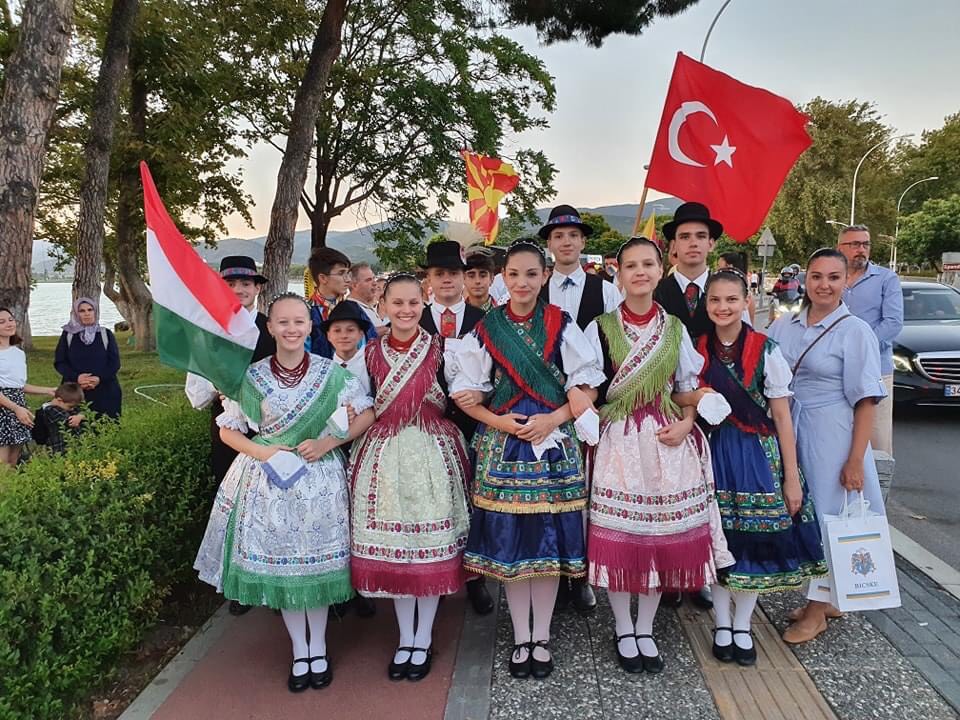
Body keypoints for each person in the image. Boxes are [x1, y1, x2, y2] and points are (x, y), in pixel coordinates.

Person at [194, 293, 375, 693]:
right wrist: (263, 450)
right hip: (268, 481)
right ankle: (300, 650)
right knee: (287, 570)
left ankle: (320, 648)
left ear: (311, 327)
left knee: (316, 567)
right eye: (283, 322)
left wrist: (328, 444)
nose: (292, 329)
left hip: (320, 480)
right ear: (271, 327)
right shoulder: (252, 377)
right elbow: (228, 429)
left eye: (299, 322)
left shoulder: (333, 375)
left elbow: (367, 412)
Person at [448, 239, 605, 680]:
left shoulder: (561, 323)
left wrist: (553, 419)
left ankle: (543, 639)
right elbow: (467, 395)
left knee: (549, 543)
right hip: (508, 442)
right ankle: (522, 636)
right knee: (517, 545)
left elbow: (588, 384)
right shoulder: (486, 329)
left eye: (531, 274)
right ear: (503, 277)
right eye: (513, 274)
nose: (521, 282)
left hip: (554, 442)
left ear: (545, 276)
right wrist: (504, 424)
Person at [584, 238, 733, 675]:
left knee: (656, 539)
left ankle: (645, 627)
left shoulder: (674, 329)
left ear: (658, 268)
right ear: (619, 272)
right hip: (619, 440)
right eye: (631, 265)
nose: (640, 272)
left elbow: (687, 385)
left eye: (648, 263)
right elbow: (589, 384)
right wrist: (583, 408)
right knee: (620, 536)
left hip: (667, 438)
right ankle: (621, 626)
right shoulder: (601, 326)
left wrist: (690, 418)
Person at [688, 268, 827, 665]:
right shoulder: (695, 349)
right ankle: (721, 622)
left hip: (755, 454)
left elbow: (782, 417)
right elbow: (683, 398)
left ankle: (743, 624)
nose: (723, 307)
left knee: (751, 542)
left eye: (731, 299)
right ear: (706, 304)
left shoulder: (765, 350)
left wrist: (790, 476)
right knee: (717, 540)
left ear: (746, 301)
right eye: (715, 300)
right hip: (711, 451)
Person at [348, 272, 471, 682]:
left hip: (433, 451)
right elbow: (359, 401)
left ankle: (424, 635)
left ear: (426, 302)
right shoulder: (368, 354)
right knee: (399, 548)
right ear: (382, 305)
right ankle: (406, 637)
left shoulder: (443, 349)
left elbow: (466, 393)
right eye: (396, 303)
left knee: (429, 547)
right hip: (384, 457)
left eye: (413, 303)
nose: (405, 311)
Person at [768, 248, 887, 644]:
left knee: (828, 517)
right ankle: (828, 595)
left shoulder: (856, 331)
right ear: (804, 280)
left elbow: (866, 400)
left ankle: (817, 611)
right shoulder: (786, 326)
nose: (824, 285)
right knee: (802, 514)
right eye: (816, 276)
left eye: (834, 277)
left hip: (833, 432)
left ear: (845, 282)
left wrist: (855, 458)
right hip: (793, 428)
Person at [538, 204, 620, 614]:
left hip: (590, 404)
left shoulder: (605, 290)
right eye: (558, 236)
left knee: (585, 494)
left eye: (572, 235)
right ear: (549, 245)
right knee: (548, 495)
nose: (566, 242)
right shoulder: (536, 286)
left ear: (583, 242)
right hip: (545, 404)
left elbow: (614, 345)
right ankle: (548, 574)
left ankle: (581, 576)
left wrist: (595, 398)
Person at [653, 201, 724, 610]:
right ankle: (669, 575)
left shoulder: (727, 290)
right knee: (669, 494)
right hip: (668, 408)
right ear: (673, 247)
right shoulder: (657, 292)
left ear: (711, 243)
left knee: (708, 493)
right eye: (684, 237)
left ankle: (702, 571)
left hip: (717, 406)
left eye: (700, 235)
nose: (693, 243)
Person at [418, 240, 494, 615]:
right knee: (435, 500)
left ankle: (476, 576)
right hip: (427, 425)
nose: (447, 280)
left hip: (472, 423)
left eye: (453, 273)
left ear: (465, 278)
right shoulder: (414, 320)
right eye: (439, 274)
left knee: (474, 497)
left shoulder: (484, 322)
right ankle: (436, 571)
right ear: (428, 279)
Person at [185, 257, 277, 494]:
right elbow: (196, 395)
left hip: (273, 427)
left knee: (269, 495)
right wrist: (218, 387)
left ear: (257, 287)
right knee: (229, 491)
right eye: (231, 283)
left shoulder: (274, 329)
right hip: (227, 430)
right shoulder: (208, 332)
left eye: (246, 283)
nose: (238, 290)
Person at [836, 225, 903, 458]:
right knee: (839, 437)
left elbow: (893, 323)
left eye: (865, 244)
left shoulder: (886, 279)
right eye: (854, 244)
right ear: (840, 248)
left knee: (877, 442)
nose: (861, 250)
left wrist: (858, 347)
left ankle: (878, 494)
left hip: (875, 371)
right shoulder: (832, 279)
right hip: (835, 369)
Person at [0, 308, 56, 467]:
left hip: (19, 407)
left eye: (10, 320)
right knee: (1, 463)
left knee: (12, 461)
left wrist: (47, 390)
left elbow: (18, 385)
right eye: (1, 322)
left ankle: (11, 492)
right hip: (5, 407)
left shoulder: (18, 352)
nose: (9, 324)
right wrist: (15, 408)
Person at [54, 297, 121, 419]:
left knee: (107, 428)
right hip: (75, 393)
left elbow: (114, 363)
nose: (87, 314)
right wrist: (77, 377)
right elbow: (60, 362)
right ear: (75, 313)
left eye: (90, 310)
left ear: (95, 312)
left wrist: (98, 378)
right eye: (82, 311)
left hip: (106, 391)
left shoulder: (105, 334)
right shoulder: (68, 335)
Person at [306, 247, 377, 357]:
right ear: (323, 278)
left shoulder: (355, 309)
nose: (348, 279)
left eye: (347, 273)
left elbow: (372, 344)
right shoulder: (306, 313)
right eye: (341, 273)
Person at [323, 300, 373, 396]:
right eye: (337, 330)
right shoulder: (324, 369)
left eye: (350, 330)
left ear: (361, 334)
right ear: (328, 336)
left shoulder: (371, 364)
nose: (344, 336)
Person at [32, 382, 86, 454]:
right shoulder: (51, 411)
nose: (72, 409)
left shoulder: (62, 405)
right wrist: (81, 416)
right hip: (60, 449)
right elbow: (70, 420)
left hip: (68, 447)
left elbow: (84, 411)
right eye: (70, 407)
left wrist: (80, 416)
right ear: (59, 400)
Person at [348, 262, 389, 334]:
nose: (375, 283)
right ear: (354, 285)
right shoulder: (349, 310)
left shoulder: (365, 307)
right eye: (368, 280)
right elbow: (356, 336)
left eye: (374, 278)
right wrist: (390, 329)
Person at [716, 251, 756, 326]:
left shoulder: (748, 296)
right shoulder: (749, 296)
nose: (717, 269)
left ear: (729, 266)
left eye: (719, 266)